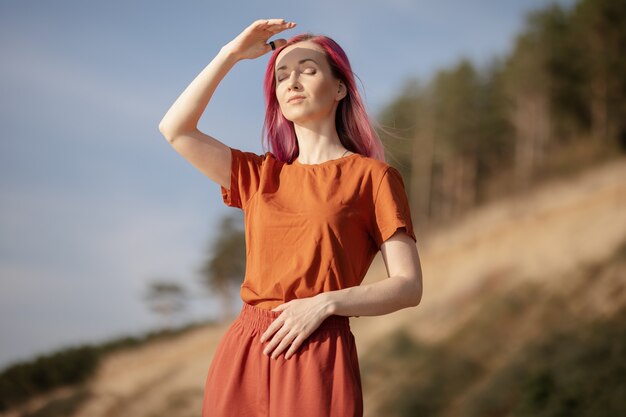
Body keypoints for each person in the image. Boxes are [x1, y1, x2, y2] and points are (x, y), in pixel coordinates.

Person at [158, 18, 423, 417]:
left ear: (339, 88)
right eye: (282, 76)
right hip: (244, 351)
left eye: (308, 70)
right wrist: (230, 55)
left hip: (317, 351)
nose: (292, 82)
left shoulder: (372, 177)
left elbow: (408, 286)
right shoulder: (260, 176)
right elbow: (175, 129)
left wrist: (326, 304)